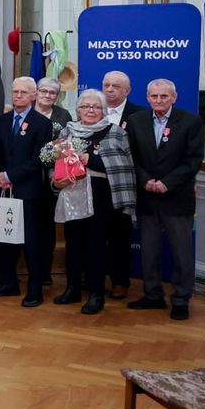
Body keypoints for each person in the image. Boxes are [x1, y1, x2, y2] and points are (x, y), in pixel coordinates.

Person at [50, 89, 136, 315]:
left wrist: (91, 160)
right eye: (85, 106)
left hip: (101, 196)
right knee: (72, 243)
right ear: (78, 110)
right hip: (71, 194)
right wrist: (55, 181)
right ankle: (72, 288)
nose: (90, 110)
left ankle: (96, 294)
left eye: (96, 107)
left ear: (103, 110)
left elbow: (124, 166)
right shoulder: (67, 132)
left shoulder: (115, 132)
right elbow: (54, 162)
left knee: (95, 245)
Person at [126, 79, 204, 321]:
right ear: (147, 97)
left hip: (177, 198)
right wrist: (145, 180)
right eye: (154, 96)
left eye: (164, 96)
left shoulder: (191, 121)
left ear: (174, 97)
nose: (158, 100)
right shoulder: (136, 120)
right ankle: (152, 295)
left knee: (181, 252)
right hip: (147, 196)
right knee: (149, 251)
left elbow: (193, 160)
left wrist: (167, 182)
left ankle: (181, 299)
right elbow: (130, 157)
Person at [0, 77, 53, 306]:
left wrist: (11, 176)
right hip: (3, 189)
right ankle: (8, 283)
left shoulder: (42, 124)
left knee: (32, 242)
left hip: (29, 191)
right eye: (15, 91)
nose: (18, 96)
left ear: (34, 95)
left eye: (23, 92)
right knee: (4, 238)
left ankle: (35, 290)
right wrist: (1, 175)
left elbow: (40, 159)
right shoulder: (2, 120)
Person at [101, 70, 146, 300]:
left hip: (124, 186)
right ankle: (93, 278)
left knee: (120, 236)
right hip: (95, 185)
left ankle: (120, 281)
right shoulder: (93, 109)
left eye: (115, 86)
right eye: (106, 85)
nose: (109, 89)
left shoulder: (140, 115)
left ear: (127, 91)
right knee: (95, 235)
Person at [34, 75, 72, 287]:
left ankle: (44, 270)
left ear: (57, 96)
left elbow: (66, 143)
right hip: (26, 176)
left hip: (52, 178)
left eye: (52, 93)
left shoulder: (63, 115)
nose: (48, 95)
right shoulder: (26, 111)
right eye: (44, 91)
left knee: (46, 226)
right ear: (36, 93)